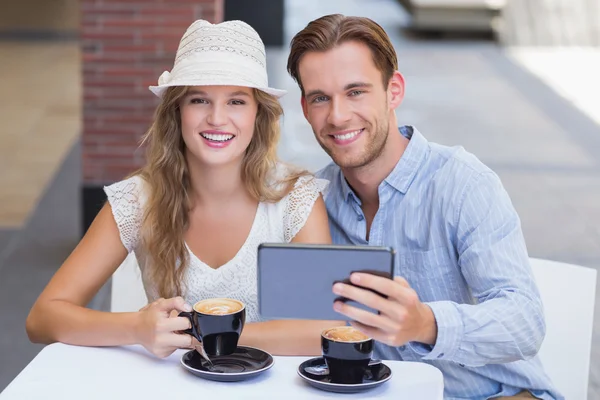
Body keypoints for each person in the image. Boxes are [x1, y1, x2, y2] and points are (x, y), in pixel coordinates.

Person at [26, 19, 344, 359]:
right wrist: (136, 327)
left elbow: (320, 331)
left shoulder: (295, 198)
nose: (217, 119)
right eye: (199, 100)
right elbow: (42, 318)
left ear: (258, 114)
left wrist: (211, 335)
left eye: (236, 101)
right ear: (177, 111)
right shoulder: (138, 200)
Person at [287, 14, 562, 400]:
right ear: (304, 107)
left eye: (356, 92)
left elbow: (525, 322)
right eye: (320, 98)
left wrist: (425, 323)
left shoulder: (462, 183)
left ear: (393, 90)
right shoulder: (313, 201)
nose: (337, 116)